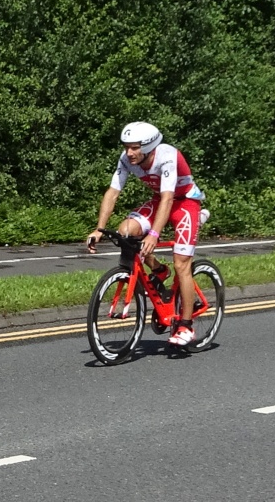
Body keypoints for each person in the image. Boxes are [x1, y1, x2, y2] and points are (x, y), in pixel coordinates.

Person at [87, 121, 207, 346]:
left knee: (182, 263)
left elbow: (168, 198)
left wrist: (153, 233)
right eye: (126, 147)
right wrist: (99, 228)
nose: (128, 153)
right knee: (126, 231)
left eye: (134, 148)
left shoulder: (167, 156)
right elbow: (113, 192)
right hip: (159, 200)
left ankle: (186, 325)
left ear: (150, 146)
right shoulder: (126, 159)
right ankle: (158, 270)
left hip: (185, 203)